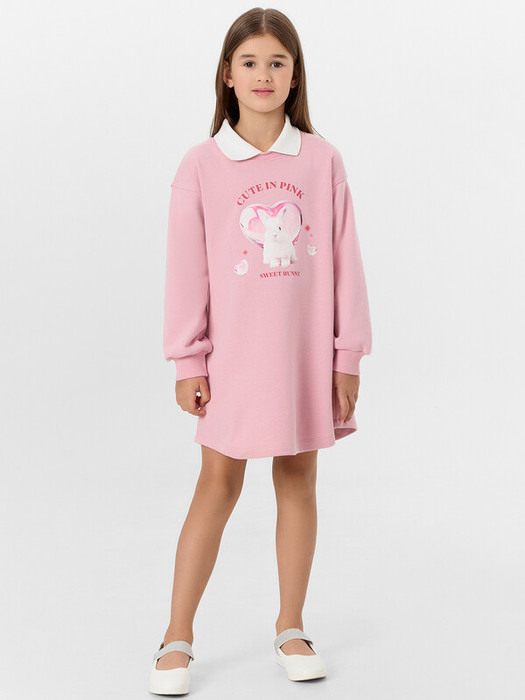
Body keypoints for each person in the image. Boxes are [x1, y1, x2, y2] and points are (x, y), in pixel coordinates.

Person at [149, 7, 372, 695]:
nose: (263, 75)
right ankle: (176, 637)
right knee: (217, 484)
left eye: (277, 62)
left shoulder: (322, 159)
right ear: (227, 75)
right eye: (249, 62)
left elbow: (345, 262)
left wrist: (346, 356)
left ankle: (290, 626)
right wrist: (188, 359)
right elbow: (187, 270)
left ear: (295, 75)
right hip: (233, 360)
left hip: (303, 356)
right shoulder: (201, 165)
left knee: (298, 479)